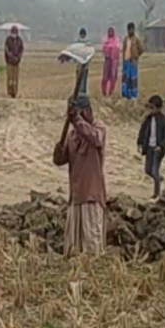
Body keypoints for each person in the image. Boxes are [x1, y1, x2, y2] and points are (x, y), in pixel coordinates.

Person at [52, 94, 107, 257]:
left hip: (91, 195)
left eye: (81, 113)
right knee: (73, 249)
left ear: (88, 111)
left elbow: (95, 139)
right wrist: (58, 152)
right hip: (76, 196)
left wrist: (77, 120)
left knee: (91, 247)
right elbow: (61, 160)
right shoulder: (72, 135)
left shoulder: (99, 128)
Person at [137, 95, 165, 199]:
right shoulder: (148, 119)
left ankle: (156, 193)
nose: (150, 110)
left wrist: (161, 146)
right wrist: (139, 143)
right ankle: (159, 179)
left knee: (154, 171)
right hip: (149, 148)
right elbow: (142, 132)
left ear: (159, 108)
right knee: (148, 170)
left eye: (152, 108)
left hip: (157, 150)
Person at [121, 22, 146, 100]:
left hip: (133, 62)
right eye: (129, 30)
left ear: (134, 30)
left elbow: (142, 49)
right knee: (126, 78)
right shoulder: (126, 39)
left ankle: (133, 94)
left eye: (131, 29)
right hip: (126, 61)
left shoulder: (136, 39)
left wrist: (136, 56)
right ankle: (125, 93)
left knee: (133, 78)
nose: (130, 31)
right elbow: (124, 49)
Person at [4, 25, 25, 98]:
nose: (14, 34)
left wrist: (18, 57)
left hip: (16, 63)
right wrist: (10, 57)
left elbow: (21, 50)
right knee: (10, 78)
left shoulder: (20, 40)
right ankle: (9, 92)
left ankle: (15, 93)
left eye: (15, 32)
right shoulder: (8, 40)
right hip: (9, 62)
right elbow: (6, 50)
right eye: (13, 32)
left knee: (15, 79)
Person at [101, 27, 122, 97]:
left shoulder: (116, 40)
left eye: (112, 31)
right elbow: (103, 49)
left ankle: (111, 92)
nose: (110, 33)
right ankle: (104, 92)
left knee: (113, 77)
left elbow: (118, 50)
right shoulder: (105, 40)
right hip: (107, 60)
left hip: (114, 62)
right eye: (109, 31)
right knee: (105, 77)